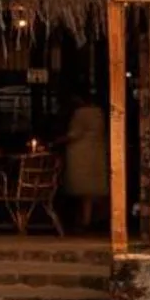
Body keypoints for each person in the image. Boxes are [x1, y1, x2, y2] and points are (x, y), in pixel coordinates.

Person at [59, 98, 110, 231]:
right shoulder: (99, 112)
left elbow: (74, 133)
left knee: (83, 189)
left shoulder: (81, 113)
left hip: (81, 154)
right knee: (93, 189)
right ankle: (92, 218)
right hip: (96, 152)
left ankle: (85, 220)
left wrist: (57, 141)